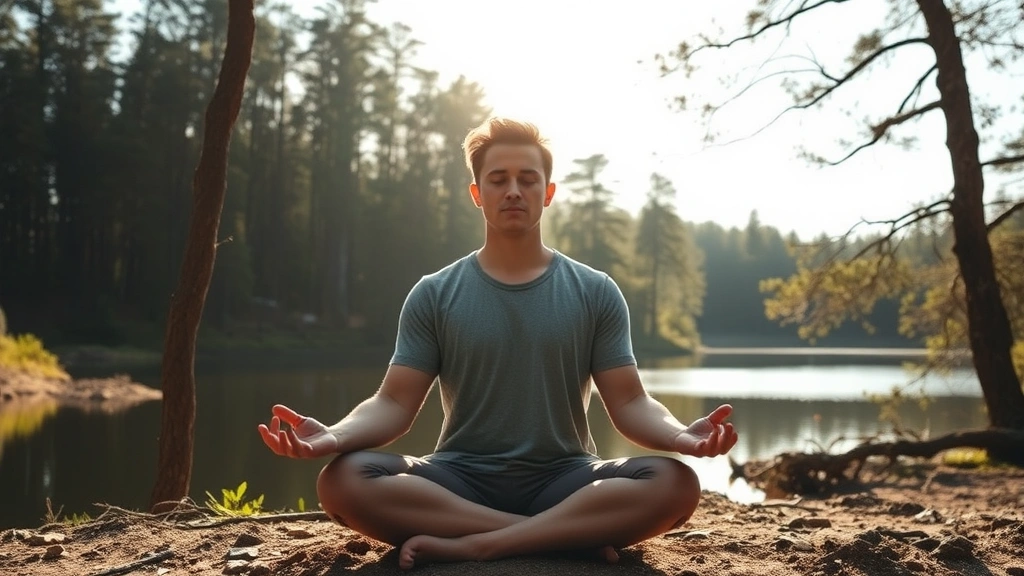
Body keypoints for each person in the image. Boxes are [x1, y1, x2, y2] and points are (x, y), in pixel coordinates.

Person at [258, 117, 739, 570]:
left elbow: (631, 401)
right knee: (343, 480)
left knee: (674, 483)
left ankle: (483, 544)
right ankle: (564, 539)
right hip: (457, 482)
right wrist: (335, 436)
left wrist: (680, 435)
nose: (513, 190)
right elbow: (393, 403)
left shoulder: (595, 291)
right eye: (498, 178)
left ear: (548, 193)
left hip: (566, 479)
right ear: (476, 193)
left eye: (528, 179)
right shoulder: (435, 293)